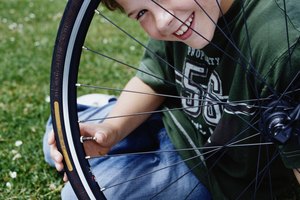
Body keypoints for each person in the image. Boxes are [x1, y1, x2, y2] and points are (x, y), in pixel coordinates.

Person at [44, 0, 300, 199]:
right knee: (59, 139)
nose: (164, 20)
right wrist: (110, 129)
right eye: (141, 12)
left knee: (78, 192)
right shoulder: (186, 18)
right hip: (174, 116)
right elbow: (154, 75)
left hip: (212, 172)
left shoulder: (282, 41)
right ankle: (107, 115)